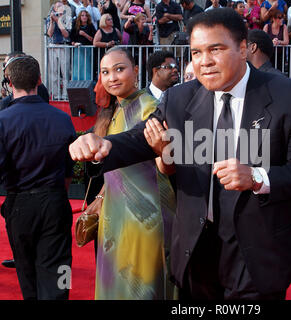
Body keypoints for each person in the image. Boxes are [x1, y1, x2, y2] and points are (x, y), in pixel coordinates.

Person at [69, 8, 291, 300]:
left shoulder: (289, 96)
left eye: (215, 49)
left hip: (257, 252)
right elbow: (141, 136)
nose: (205, 62)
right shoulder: (180, 98)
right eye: (196, 52)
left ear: (242, 49)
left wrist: (256, 176)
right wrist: (104, 146)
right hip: (195, 251)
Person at [90, 47, 176, 299]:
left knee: (142, 289)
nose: (112, 77)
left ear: (136, 70)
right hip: (114, 216)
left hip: (146, 218)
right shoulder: (114, 110)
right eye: (106, 72)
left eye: (119, 69)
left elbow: (167, 161)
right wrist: (100, 198)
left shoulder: (150, 107)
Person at [0, 55, 76, 300]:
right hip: (55, 201)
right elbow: (69, 169)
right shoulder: (63, 118)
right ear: (39, 80)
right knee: (60, 268)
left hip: (19, 205)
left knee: (26, 270)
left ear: (9, 82)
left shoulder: (2, 121)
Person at [46, 1, 72, 100]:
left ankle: (65, 95)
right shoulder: (50, 19)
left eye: (62, 6)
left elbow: (66, 34)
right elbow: (49, 33)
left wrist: (58, 21)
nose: (61, 8)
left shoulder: (68, 18)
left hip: (64, 46)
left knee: (65, 72)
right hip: (53, 46)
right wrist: (52, 22)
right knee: (54, 72)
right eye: (58, 7)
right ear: (54, 9)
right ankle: (56, 95)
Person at [70, 10, 96, 81]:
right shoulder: (75, 26)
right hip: (78, 50)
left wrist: (85, 35)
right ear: (79, 17)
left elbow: (93, 39)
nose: (84, 17)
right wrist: (73, 43)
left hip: (88, 50)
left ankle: (87, 82)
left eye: (86, 15)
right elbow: (71, 38)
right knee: (78, 67)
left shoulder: (91, 26)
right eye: (82, 15)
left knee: (87, 67)